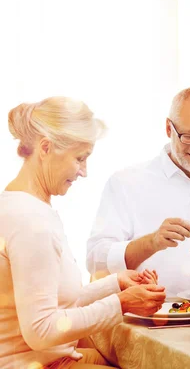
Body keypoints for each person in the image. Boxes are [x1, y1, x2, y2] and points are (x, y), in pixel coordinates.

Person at [0, 97, 166, 369]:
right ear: (46, 148)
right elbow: (42, 330)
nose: (84, 172)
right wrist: (120, 304)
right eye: (80, 158)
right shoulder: (30, 221)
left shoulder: (20, 204)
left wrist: (115, 284)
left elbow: (52, 301)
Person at [86, 87, 190, 297]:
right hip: (151, 323)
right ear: (168, 128)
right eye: (189, 136)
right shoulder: (125, 183)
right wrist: (151, 242)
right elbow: (95, 260)